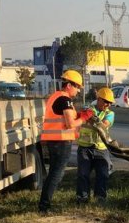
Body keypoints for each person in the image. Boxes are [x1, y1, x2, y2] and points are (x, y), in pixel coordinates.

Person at [38, 70, 94, 214]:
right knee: (56, 174)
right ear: (69, 85)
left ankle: (44, 204)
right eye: (77, 86)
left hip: (54, 141)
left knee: (53, 173)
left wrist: (79, 114)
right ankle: (44, 206)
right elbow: (70, 124)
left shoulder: (56, 97)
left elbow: (65, 117)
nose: (79, 90)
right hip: (61, 142)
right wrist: (85, 117)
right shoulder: (65, 99)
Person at [76, 87, 116, 204]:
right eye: (106, 101)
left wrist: (91, 118)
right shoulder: (87, 110)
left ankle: (100, 198)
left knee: (103, 174)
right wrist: (86, 115)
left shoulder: (110, 114)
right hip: (84, 148)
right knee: (83, 174)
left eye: (110, 103)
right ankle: (82, 198)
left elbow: (104, 124)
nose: (108, 105)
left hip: (101, 149)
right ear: (98, 99)